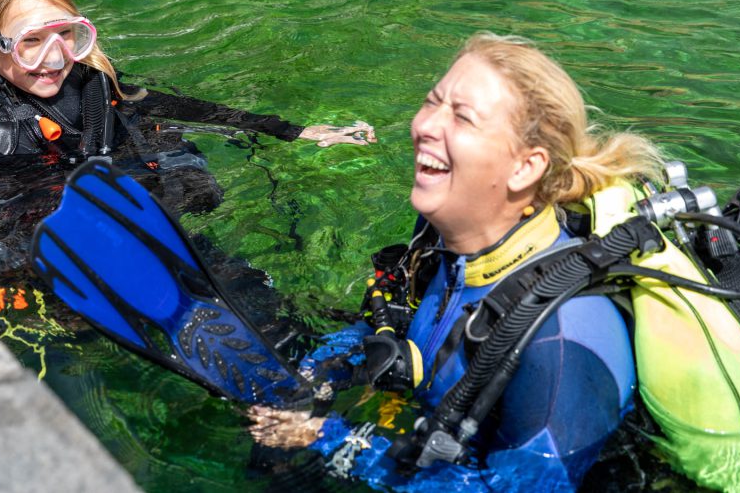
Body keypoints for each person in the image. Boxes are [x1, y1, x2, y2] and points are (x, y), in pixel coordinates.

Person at [248, 31, 663, 491]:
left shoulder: (561, 338)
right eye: (432, 102)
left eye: (462, 118)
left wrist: (328, 439)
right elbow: (386, 320)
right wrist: (316, 376)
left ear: (525, 167)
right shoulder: (445, 242)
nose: (425, 125)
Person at [0, 0, 376, 286]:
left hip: (99, 206)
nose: (54, 58)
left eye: (65, 35)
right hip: (17, 216)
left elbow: (181, 108)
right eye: (31, 42)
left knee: (221, 269)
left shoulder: (93, 80)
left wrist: (294, 130)